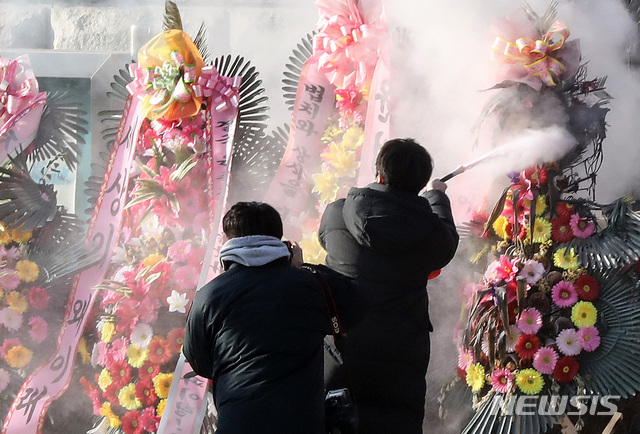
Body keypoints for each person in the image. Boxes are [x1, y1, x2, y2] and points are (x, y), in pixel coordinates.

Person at [183, 201, 361, 434]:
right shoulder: (309, 284)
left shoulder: (208, 296)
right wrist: (302, 267)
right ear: (280, 240)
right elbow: (355, 306)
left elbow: (200, 361)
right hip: (301, 423)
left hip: (237, 424)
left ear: (229, 242)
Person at [319, 138, 459, 433]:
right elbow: (447, 239)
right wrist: (437, 196)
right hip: (402, 358)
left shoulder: (336, 215)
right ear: (419, 182)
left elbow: (324, 239)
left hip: (343, 353)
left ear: (379, 174)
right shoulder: (429, 233)